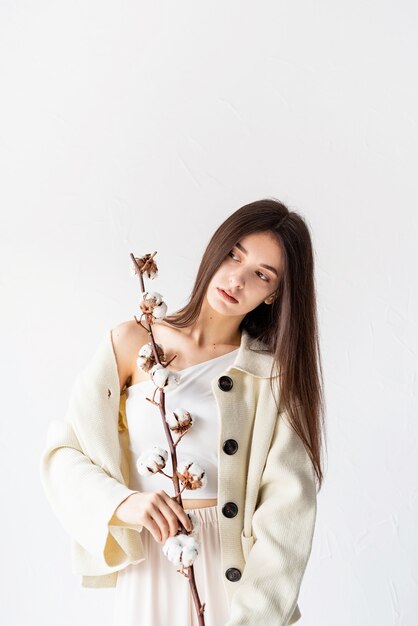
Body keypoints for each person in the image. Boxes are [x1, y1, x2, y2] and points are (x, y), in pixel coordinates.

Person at [40, 198, 325, 626]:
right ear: (217, 248)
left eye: (261, 274)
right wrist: (125, 503)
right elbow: (64, 454)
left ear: (275, 294)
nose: (237, 278)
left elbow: (288, 513)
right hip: (152, 565)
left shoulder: (273, 376)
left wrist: (253, 619)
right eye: (234, 254)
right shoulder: (132, 342)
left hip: (230, 579)